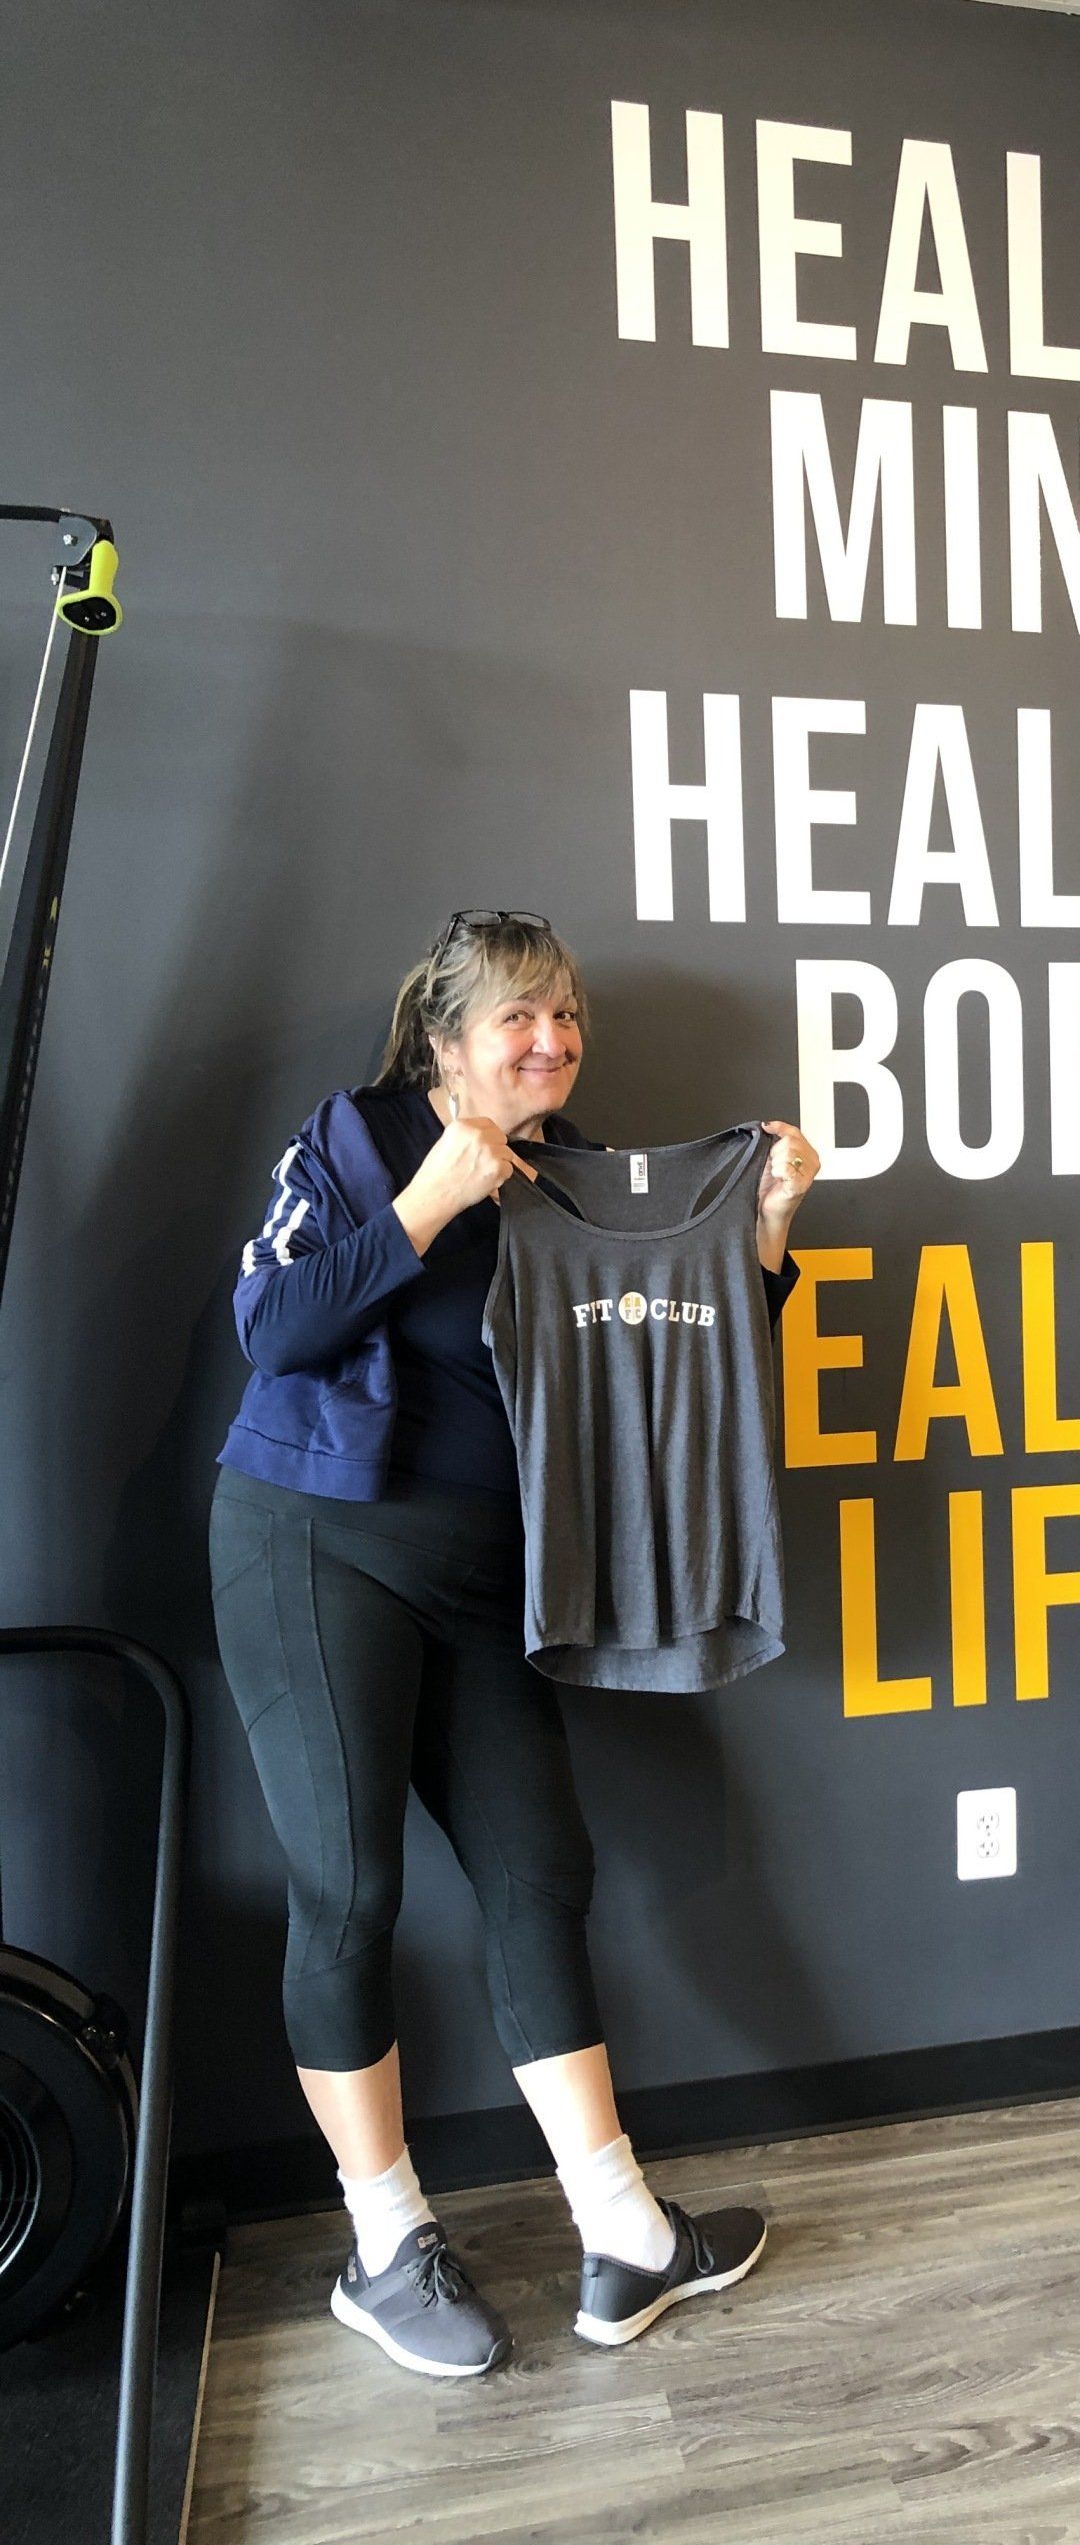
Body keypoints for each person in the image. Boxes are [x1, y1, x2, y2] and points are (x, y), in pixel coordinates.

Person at [210, 910, 819, 2373]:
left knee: (542, 1872)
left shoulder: (578, 1178)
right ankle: (381, 2241)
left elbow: (669, 1353)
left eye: (566, 1020)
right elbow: (269, 1327)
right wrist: (425, 1200)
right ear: (444, 1039)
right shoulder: (354, 1140)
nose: (549, 1044)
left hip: (489, 1582)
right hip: (315, 1542)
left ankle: (621, 2228)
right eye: (518, 1021)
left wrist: (767, 1240)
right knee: (348, 1892)